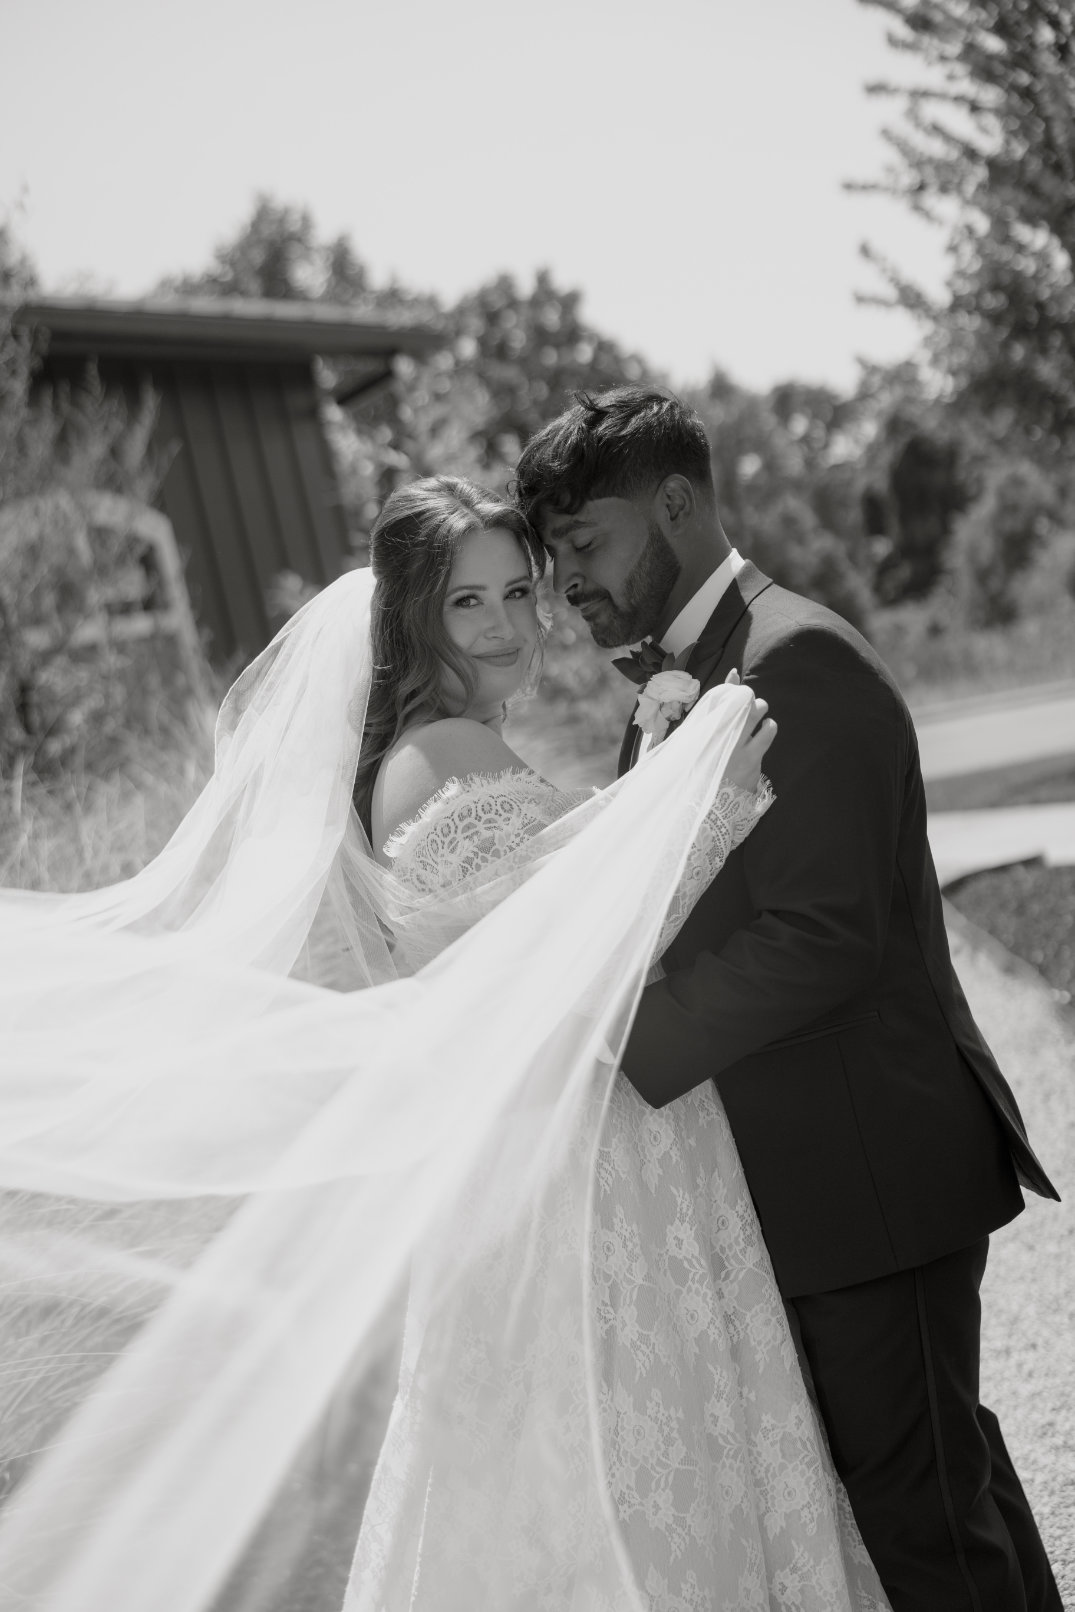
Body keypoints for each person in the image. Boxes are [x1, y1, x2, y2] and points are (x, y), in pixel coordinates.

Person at [0, 472, 892, 1611]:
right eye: (469, 602)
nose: (509, 623)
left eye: (519, 592)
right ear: (413, 620)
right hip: (580, 1162)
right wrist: (704, 796)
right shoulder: (442, 758)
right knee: (633, 1458)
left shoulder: (452, 750)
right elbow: (557, 965)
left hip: (599, 1139)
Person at [514, 385, 1063, 1612]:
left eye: (585, 545)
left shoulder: (792, 657)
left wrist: (615, 1040)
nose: (570, 583)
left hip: (867, 1172)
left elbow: (822, 936)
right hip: (804, 1181)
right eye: (553, 561)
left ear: (675, 504)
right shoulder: (679, 676)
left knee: (923, 1520)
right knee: (940, 1491)